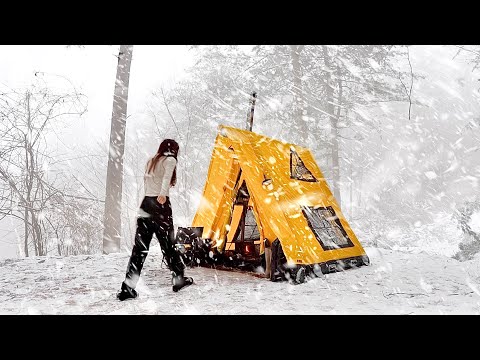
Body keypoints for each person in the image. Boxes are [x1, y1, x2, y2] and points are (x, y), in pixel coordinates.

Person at [117, 139, 193, 301]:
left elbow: (147, 181)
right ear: (173, 149)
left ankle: (128, 287)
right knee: (169, 245)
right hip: (160, 205)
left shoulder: (152, 160)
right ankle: (178, 279)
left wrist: (152, 199)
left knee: (140, 249)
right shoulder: (170, 160)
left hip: (146, 204)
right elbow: (166, 179)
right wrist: (163, 195)